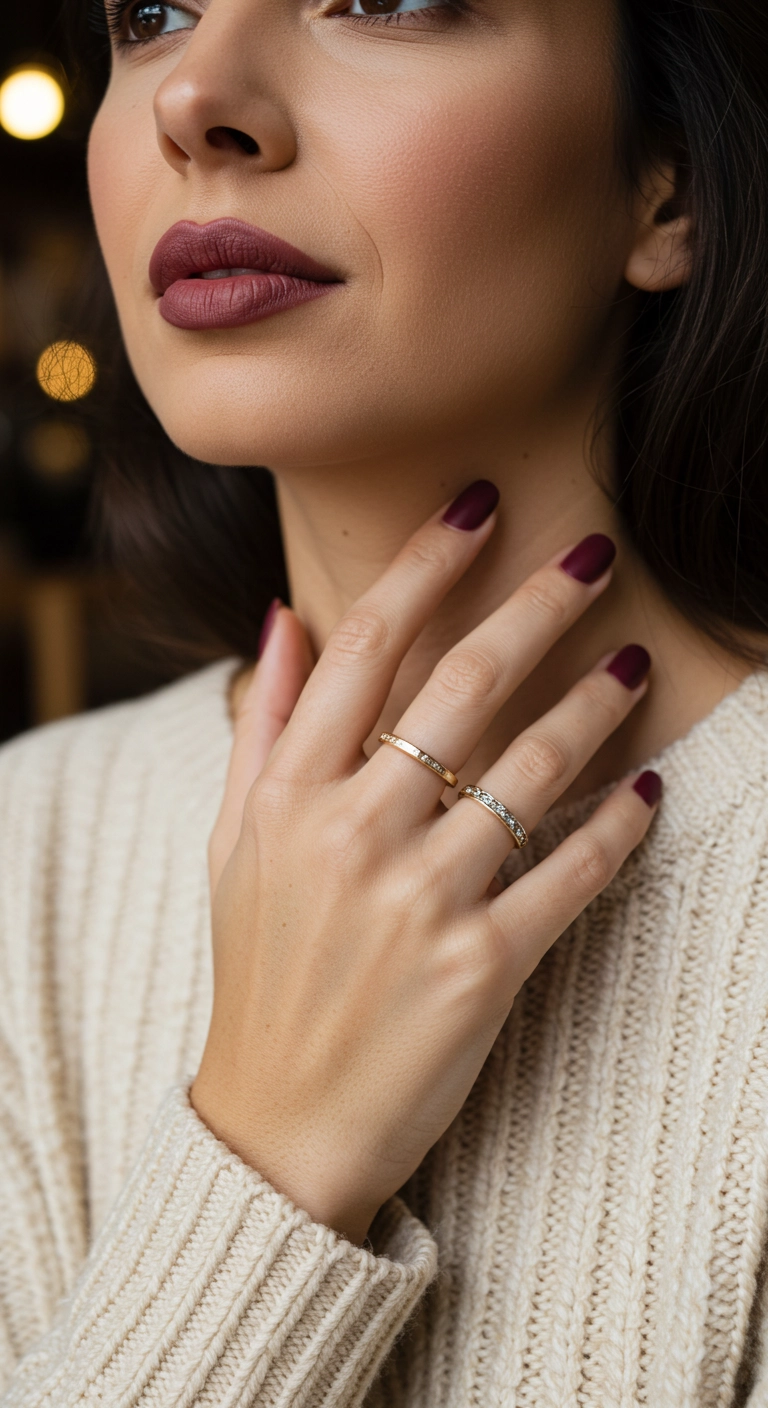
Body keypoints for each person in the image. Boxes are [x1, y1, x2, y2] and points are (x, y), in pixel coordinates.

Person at [1, 0, 768, 1402]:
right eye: (147, 14)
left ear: (669, 185)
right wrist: (267, 1145)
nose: (198, 101)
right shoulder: (24, 855)